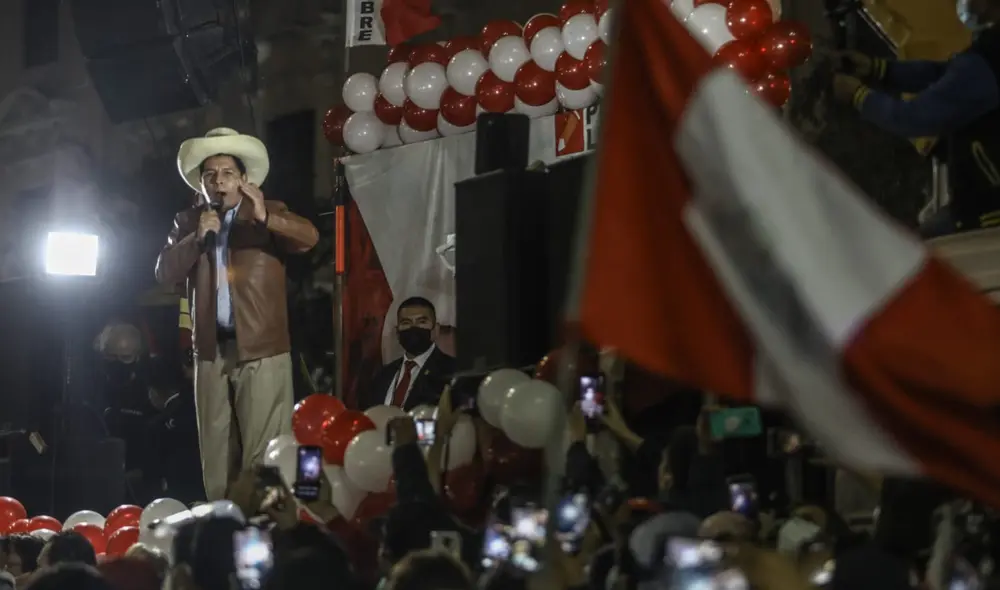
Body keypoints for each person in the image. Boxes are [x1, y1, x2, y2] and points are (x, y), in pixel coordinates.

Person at [155, 127, 319, 500]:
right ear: (201, 184)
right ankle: (223, 526)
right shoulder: (188, 221)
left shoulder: (266, 212)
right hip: (211, 351)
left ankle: (267, 523)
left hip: (262, 347)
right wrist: (196, 238)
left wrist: (266, 218)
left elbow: (309, 239)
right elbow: (164, 273)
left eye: (227, 173)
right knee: (216, 452)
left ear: (244, 180)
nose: (219, 181)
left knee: (265, 452)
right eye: (210, 174)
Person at [832, 0, 1000, 237]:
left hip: (986, 215)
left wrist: (859, 96)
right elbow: (945, 73)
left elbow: (911, 119)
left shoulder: (988, 59)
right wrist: (878, 69)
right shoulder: (987, 54)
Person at [364, 297, 456, 410]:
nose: (414, 328)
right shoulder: (382, 376)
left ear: (435, 330)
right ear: (398, 333)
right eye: (406, 322)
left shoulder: (452, 372)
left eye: (422, 322)